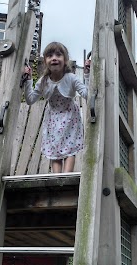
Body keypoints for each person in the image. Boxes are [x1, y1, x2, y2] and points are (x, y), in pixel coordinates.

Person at [22, 42, 90, 173]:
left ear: (65, 60)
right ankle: (57, 178)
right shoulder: (43, 81)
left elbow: (87, 94)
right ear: (45, 61)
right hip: (53, 119)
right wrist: (28, 80)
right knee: (55, 150)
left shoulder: (71, 78)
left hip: (70, 117)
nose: (54, 58)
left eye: (58, 55)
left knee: (70, 148)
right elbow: (30, 99)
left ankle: (66, 176)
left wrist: (87, 75)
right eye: (49, 55)